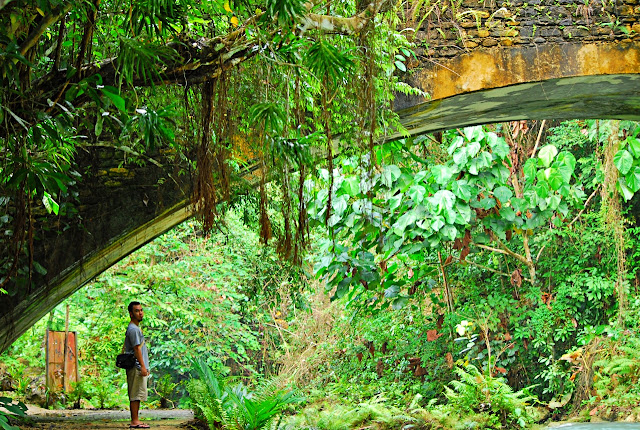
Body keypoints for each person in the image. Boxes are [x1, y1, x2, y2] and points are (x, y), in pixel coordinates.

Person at [124, 301, 150, 429]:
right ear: (131, 314)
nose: (140, 313)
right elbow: (136, 349)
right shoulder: (133, 330)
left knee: (138, 394)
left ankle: (136, 419)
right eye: (136, 311)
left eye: (141, 310)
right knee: (135, 394)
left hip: (137, 365)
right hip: (136, 366)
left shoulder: (135, 328)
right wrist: (143, 366)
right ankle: (134, 420)